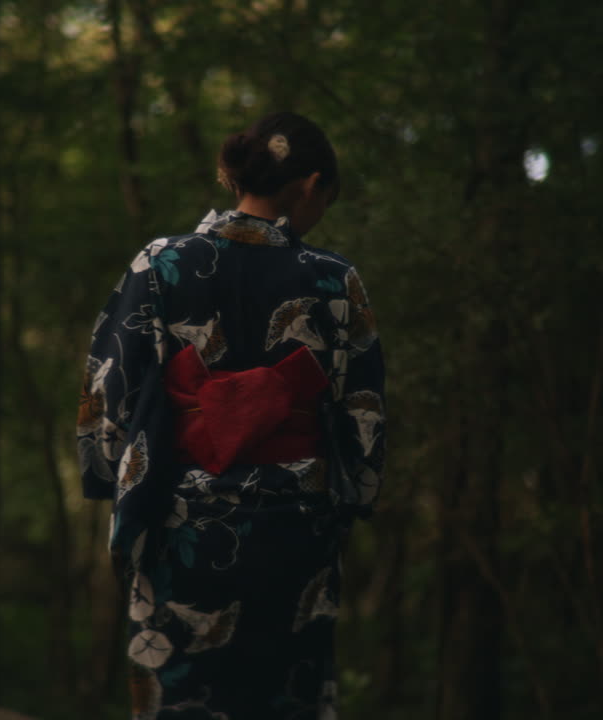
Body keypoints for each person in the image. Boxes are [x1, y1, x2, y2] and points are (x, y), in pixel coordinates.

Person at [78, 111, 385, 720]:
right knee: (283, 695)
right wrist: (359, 493)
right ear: (310, 183)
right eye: (327, 196)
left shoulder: (161, 263)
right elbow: (364, 411)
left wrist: (108, 473)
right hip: (297, 523)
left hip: (180, 516)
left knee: (183, 694)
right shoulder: (334, 280)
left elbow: (109, 384)